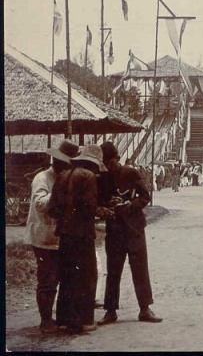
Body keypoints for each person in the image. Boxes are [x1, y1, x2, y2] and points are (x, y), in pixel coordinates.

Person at [96, 143, 162, 325]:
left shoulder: (131, 173)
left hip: (134, 229)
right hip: (115, 230)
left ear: (117, 158)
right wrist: (108, 205)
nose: (110, 166)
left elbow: (145, 196)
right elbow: (99, 201)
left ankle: (145, 308)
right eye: (106, 163)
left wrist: (130, 204)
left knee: (140, 269)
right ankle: (110, 311)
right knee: (113, 271)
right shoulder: (102, 178)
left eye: (112, 162)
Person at [46, 144, 104, 334]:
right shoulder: (88, 177)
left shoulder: (63, 176)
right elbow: (89, 207)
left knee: (67, 276)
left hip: (64, 234)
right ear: (92, 164)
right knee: (86, 276)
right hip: (82, 234)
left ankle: (64, 319)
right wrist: (101, 212)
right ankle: (83, 320)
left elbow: (52, 208)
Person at [25, 139, 80, 333]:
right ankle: (45, 320)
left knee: (63, 278)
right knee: (47, 280)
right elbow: (40, 203)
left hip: (60, 237)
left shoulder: (66, 178)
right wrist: (58, 192)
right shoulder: (42, 178)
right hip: (43, 236)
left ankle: (60, 317)